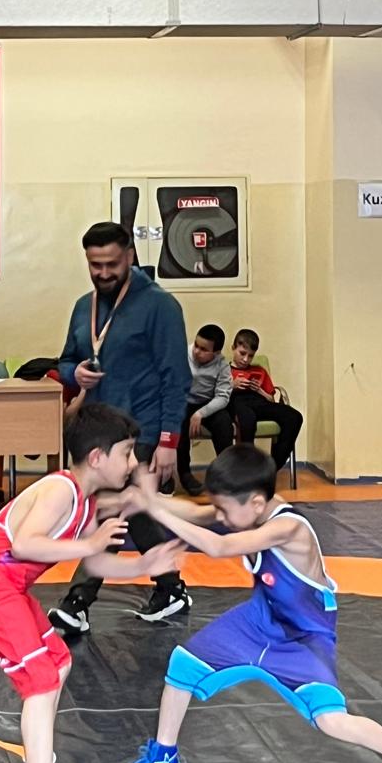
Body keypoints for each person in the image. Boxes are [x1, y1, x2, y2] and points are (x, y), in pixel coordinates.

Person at [106, 445, 382, 763]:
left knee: (331, 720)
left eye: (224, 509)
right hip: (259, 619)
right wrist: (148, 499)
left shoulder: (287, 528)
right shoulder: (249, 506)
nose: (218, 515)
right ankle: (163, 761)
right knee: (184, 665)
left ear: (256, 503)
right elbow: (195, 512)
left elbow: (219, 547)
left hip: (304, 637)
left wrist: (155, 511)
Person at [0, 405, 183, 763]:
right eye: (127, 453)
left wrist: (143, 565)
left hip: (7, 587)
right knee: (41, 680)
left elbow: (95, 563)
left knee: (58, 662)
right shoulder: (60, 489)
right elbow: (25, 545)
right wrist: (90, 542)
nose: (132, 463)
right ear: (97, 457)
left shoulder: (85, 500)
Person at [48, 222, 193, 635]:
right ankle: (171, 587)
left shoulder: (160, 306)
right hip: (97, 431)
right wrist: (74, 373)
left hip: (140, 430)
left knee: (112, 508)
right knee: (132, 510)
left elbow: (176, 376)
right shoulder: (85, 306)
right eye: (95, 265)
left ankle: (78, 601)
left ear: (129, 256)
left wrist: (168, 440)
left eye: (111, 264)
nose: (104, 273)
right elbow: (65, 360)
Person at [228, 328, 303, 480]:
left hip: (259, 402)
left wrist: (260, 390)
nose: (245, 359)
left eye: (250, 356)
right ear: (233, 348)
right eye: (242, 353)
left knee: (294, 417)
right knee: (247, 418)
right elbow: (217, 396)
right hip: (237, 402)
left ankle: (272, 467)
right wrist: (232, 385)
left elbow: (271, 400)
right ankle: (247, 469)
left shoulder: (260, 371)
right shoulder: (224, 370)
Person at [178, 324, 234, 495]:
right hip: (181, 401)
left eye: (203, 349)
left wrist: (200, 413)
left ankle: (227, 476)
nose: (197, 351)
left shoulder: (222, 366)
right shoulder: (182, 355)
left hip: (206, 404)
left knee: (224, 423)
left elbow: (223, 397)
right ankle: (184, 474)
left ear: (216, 353)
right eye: (196, 345)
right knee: (178, 422)